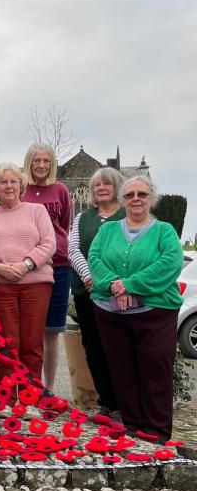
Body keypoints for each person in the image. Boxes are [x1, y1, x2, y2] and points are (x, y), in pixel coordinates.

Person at [89, 176, 182, 442]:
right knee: (122, 370)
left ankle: (157, 431)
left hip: (155, 312)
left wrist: (131, 285)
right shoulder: (107, 230)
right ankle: (132, 424)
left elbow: (170, 263)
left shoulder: (164, 230)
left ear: (152, 198)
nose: (136, 199)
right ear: (122, 200)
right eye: (129, 195)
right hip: (111, 312)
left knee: (155, 369)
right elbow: (94, 258)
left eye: (142, 194)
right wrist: (114, 286)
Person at [0, 163, 56, 396]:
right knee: (5, 343)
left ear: (21, 185)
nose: (8, 186)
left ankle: (31, 397)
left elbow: (49, 243)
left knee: (32, 343)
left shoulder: (37, 211)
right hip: (0, 285)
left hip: (36, 284)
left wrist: (26, 264)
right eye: (3, 182)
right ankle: (5, 398)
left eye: (13, 181)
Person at [67, 167, 125, 417]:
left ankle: (125, 402)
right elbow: (73, 250)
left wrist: (110, 282)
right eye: (96, 185)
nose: (101, 188)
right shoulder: (83, 217)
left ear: (117, 187)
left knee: (120, 347)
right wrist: (90, 277)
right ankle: (107, 401)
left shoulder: (127, 215)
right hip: (87, 291)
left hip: (121, 293)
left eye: (107, 184)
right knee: (94, 347)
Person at [21, 143, 72, 393]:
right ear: (29, 163)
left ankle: (48, 387)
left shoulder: (60, 190)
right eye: (36, 161)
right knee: (28, 331)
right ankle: (27, 384)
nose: (41, 165)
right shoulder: (20, 190)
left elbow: (65, 225)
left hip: (59, 266)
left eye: (46, 161)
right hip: (27, 267)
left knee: (51, 331)